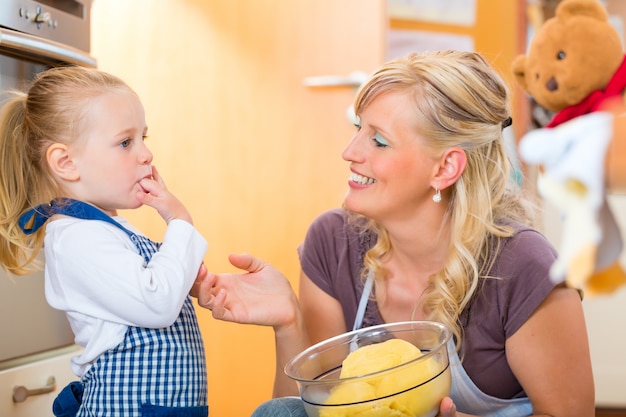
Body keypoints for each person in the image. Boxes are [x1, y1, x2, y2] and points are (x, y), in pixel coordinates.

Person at [197, 50, 595, 417]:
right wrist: (289, 323)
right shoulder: (334, 241)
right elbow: (312, 411)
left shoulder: (524, 265)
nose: (350, 151)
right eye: (358, 128)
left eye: (379, 140)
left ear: (444, 169)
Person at [0, 66, 209, 417]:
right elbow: (157, 302)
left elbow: (144, 292)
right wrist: (179, 222)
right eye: (126, 142)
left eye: (144, 137)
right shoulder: (77, 238)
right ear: (66, 162)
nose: (146, 154)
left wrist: (187, 280)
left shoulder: (108, 228)